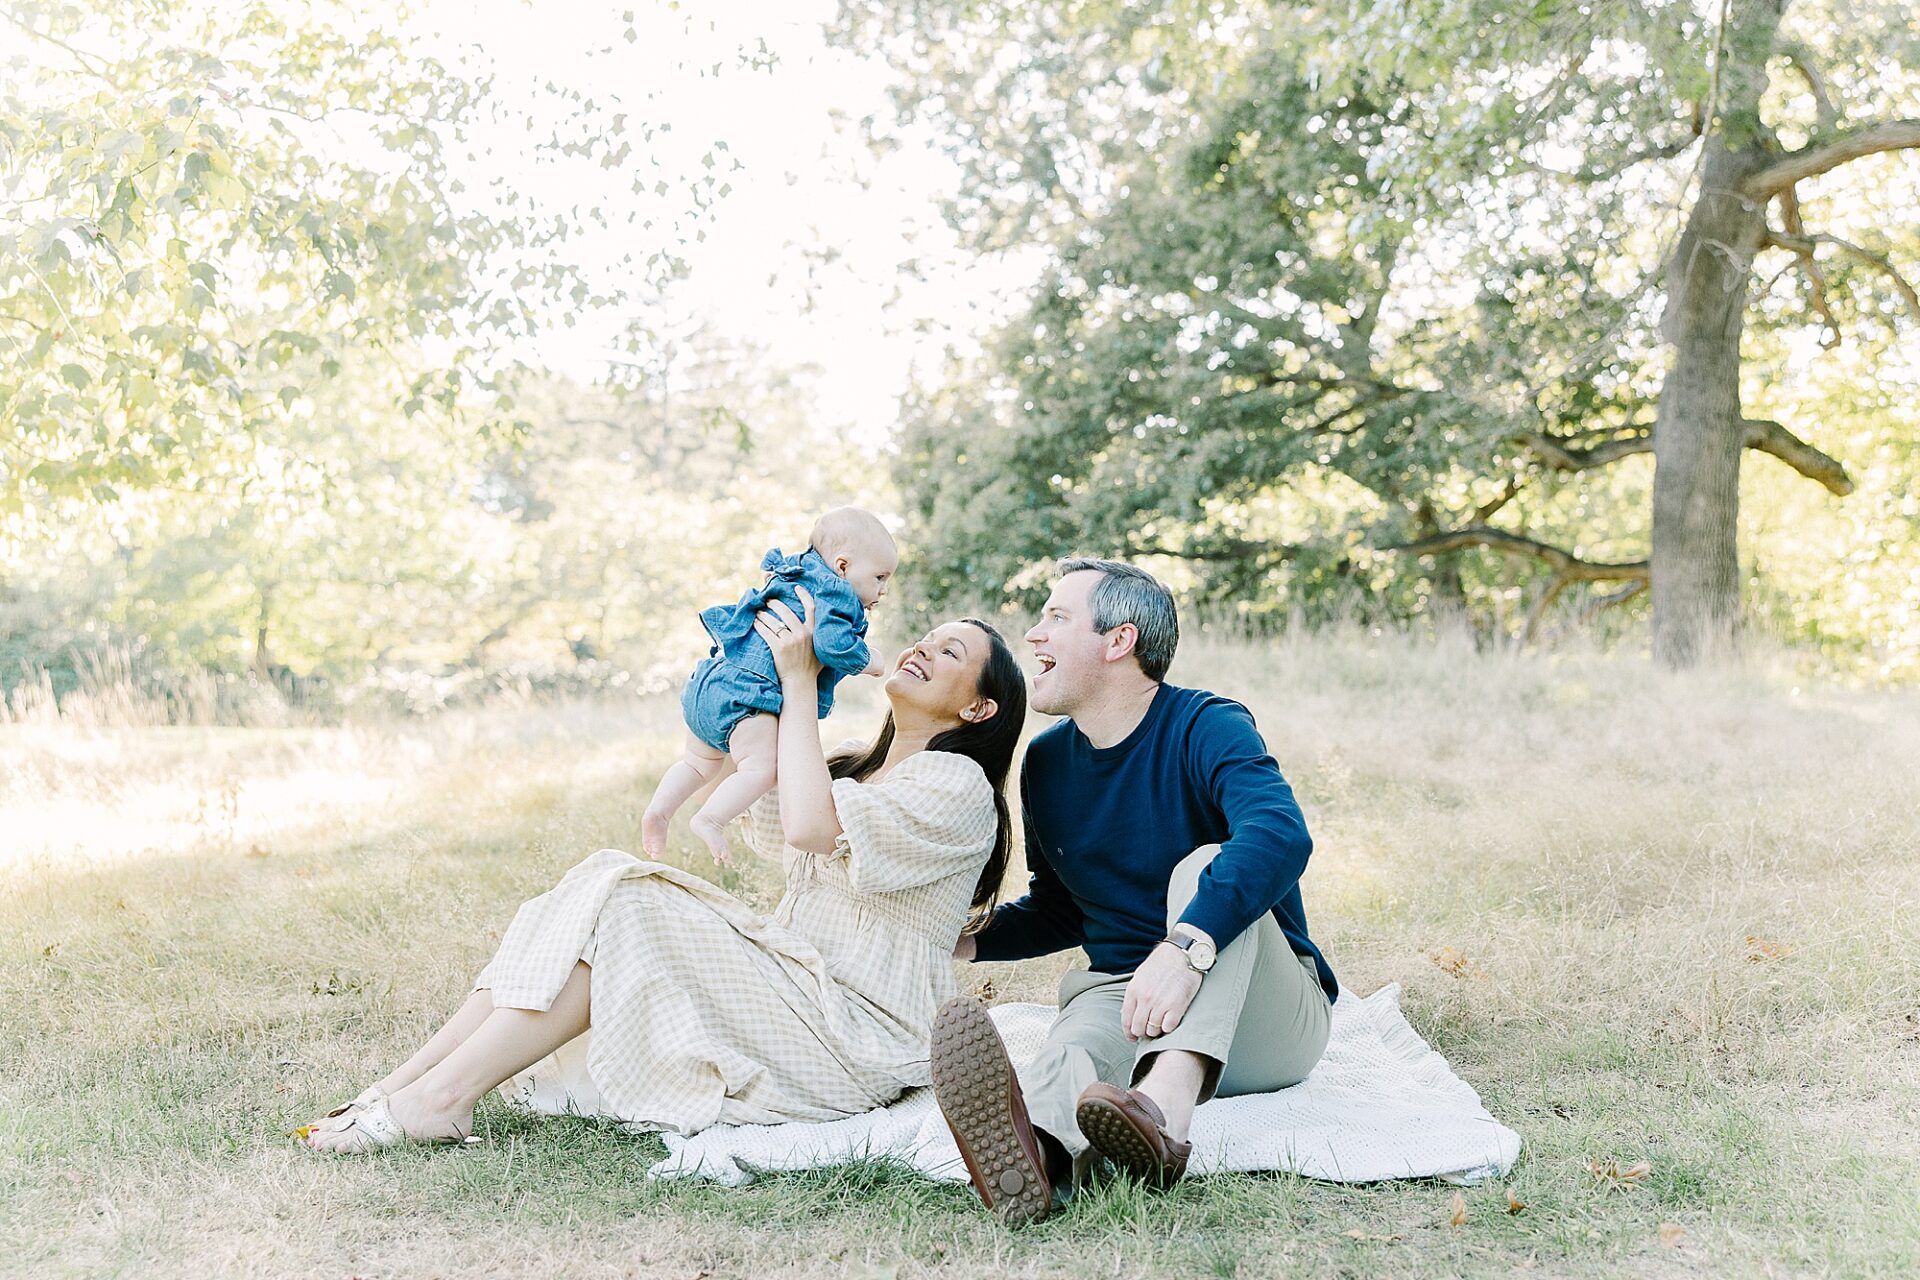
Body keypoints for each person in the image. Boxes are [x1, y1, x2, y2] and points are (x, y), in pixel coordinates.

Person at [300, 592, 1026, 1152]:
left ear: (978, 706)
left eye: (951, 651)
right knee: (603, 881)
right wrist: (751, 668)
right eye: (926, 638)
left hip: (852, 1034)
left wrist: (803, 682)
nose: (923, 648)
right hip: (794, 996)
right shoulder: (851, 770)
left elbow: (809, 826)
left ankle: (437, 1100)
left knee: (631, 899)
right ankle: (406, 1086)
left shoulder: (958, 788)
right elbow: (755, 784)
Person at [930, 558, 1337, 1226]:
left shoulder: (1207, 725)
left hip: (1262, 1014)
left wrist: (1185, 949)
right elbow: (1061, 909)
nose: (1033, 635)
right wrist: (968, 938)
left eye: (1056, 618)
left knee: (1205, 866)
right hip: (1126, 995)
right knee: (1069, 1052)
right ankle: (1045, 1163)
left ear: (1118, 641)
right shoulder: (1049, 762)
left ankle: (1166, 1112)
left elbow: (1280, 835)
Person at [643, 507, 898, 863]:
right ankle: (711, 819)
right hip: (749, 696)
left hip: (712, 678)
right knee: (761, 770)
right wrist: (870, 660)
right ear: (842, 567)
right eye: (880, 577)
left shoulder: (794, 570)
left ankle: (659, 810)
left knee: (698, 765)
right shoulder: (837, 596)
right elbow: (832, 645)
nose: (883, 590)